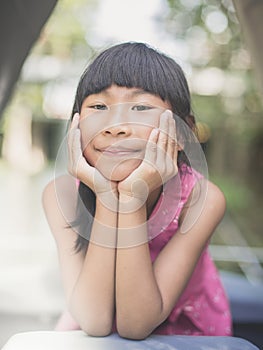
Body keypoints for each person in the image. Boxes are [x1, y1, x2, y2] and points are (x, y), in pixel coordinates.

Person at [42, 42, 232, 340]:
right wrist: (106, 196)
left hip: (183, 332)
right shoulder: (61, 195)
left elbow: (136, 325)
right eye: (99, 107)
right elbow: (93, 320)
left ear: (184, 132)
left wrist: (131, 197)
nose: (116, 126)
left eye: (141, 107)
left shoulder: (201, 199)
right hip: (94, 315)